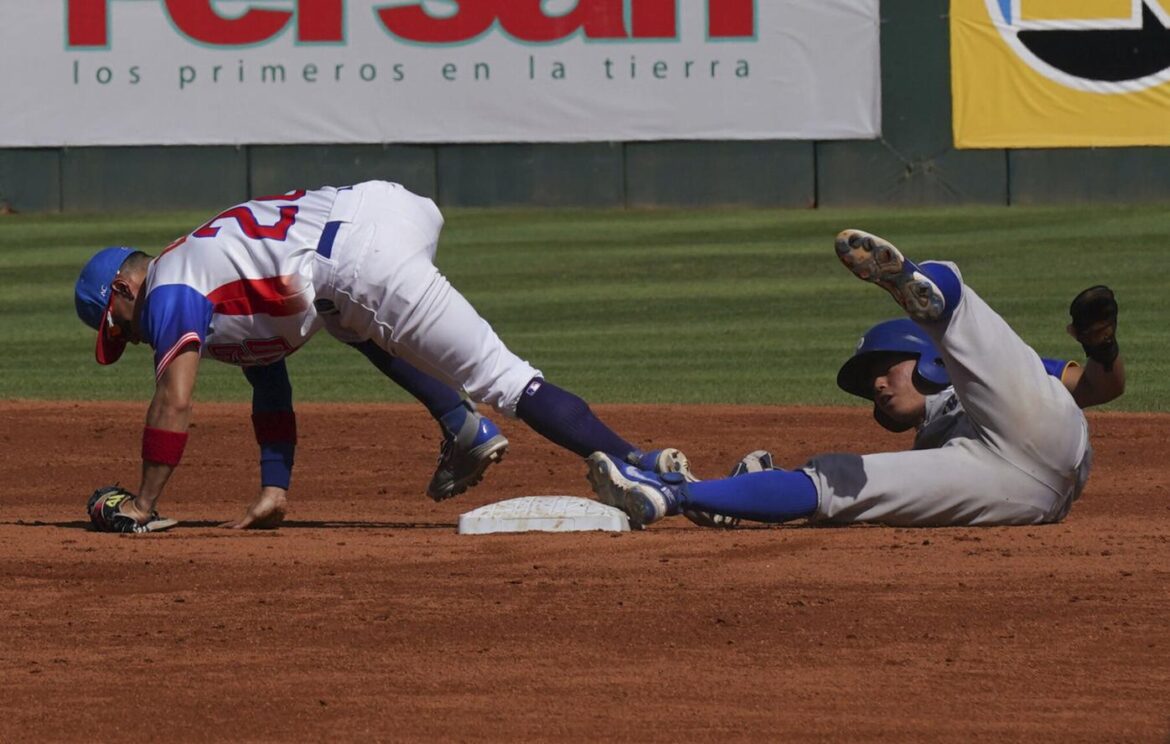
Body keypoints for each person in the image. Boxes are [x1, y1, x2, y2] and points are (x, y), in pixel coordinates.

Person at [75, 181, 690, 531]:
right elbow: (269, 382)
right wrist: (275, 488)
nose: (129, 338)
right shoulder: (216, 281)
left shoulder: (173, 287)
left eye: (118, 325)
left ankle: (638, 463)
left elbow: (174, 399)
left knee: (504, 378)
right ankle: (461, 424)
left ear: (127, 289)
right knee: (347, 320)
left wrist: (144, 503)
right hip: (381, 214)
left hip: (360, 255)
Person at [586, 229, 1125, 529]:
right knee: (834, 482)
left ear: (925, 361)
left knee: (966, 320)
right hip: (1011, 497)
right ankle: (674, 495)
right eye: (871, 384)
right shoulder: (929, 441)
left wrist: (1102, 350)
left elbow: (1104, 388)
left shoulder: (984, 382)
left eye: (886, 369)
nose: (879, 388)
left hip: (1044, 435)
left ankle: (929, 295)